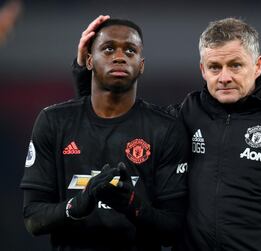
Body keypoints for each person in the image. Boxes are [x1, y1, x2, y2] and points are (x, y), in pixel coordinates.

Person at [72, 17, 261, 250]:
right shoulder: (188, 113)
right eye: (214, 67)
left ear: (257, 66)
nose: (224, 77)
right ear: (202, 69)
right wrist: (85, 71)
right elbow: (125, 125)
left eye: (235, 65)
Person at [21, 18, 189, 251]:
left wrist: (133, 205)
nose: (119, 56)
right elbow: (33, 218)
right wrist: (78, 205)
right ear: (89, 61)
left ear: (141, 65)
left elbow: (173, 228)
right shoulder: (54, 121)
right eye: (108, 48)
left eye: (130, 50)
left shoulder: (165, 128)